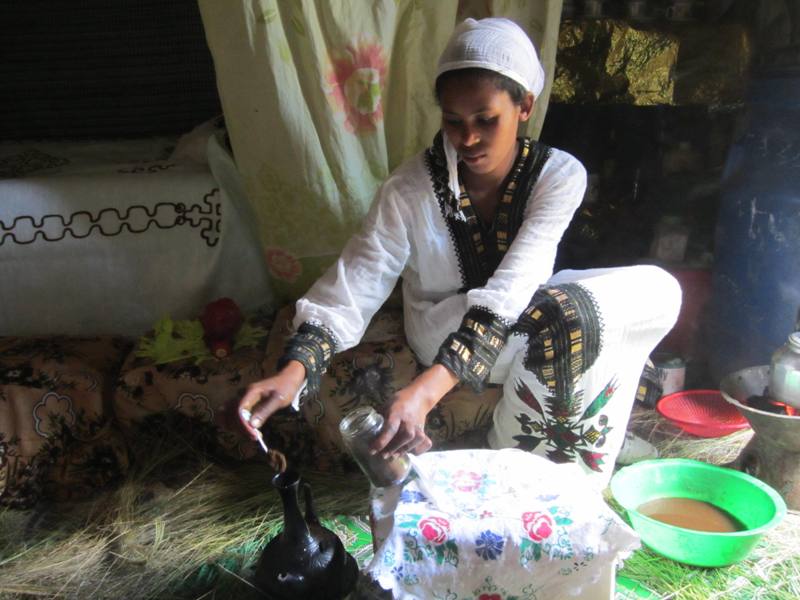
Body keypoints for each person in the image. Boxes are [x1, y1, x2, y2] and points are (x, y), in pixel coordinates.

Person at [239, 17, 678, 481]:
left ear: (525, 105)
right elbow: (358, 278)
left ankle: (572, 446)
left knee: (659, 291)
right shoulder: (408, 189)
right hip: (442, 323)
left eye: (486, 120)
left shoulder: (559, 175)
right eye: (454, 121)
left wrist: (425, 394)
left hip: (524, 300)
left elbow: (517, 284)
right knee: (570, 317)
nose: (467, 139)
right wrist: (295, 371)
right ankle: (521, 473)